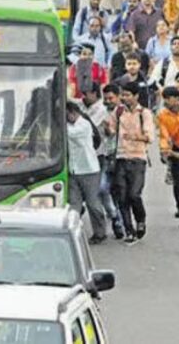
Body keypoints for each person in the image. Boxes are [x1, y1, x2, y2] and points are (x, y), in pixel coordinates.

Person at [107, 82, 154, 244]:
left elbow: (150, 137)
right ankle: (129, 230)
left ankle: (140, 220)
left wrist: (135, 137)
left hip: (138, 158)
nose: (125, 98)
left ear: (136, 96)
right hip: (120, 157)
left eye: (128, 95)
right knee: (122, 197)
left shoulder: (145, 114)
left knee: (134, 194)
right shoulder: (118, 111)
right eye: (123, 95)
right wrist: (108, 128)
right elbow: (111, 130)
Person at [66, 101, 108, 243]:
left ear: (73, 112)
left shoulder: (84, 125)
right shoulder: (69, 125)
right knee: (74, 204)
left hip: (89, 170)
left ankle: (100, 232)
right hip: (73, 170)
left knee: (92, 203)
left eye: (66, 115)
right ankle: (72, 231)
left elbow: (71, 134)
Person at [96, 84, 126, 239]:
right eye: (105, 98)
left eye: (111, 98)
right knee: (102, 189)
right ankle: (114, 216)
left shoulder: (123, 112)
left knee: (119, 193)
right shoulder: (101, 112)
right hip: (104, 156)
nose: (108, 101)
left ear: (118, 97)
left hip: (120, 156)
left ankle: (120, 223)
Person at [158, 86, 179, 219]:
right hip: (176, 149)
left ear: (177, 99)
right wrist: (164, 151)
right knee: (178, 181)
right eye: (165, 99)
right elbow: (164, 134)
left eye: (169, 99)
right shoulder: (162, 115)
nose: (166, 102)